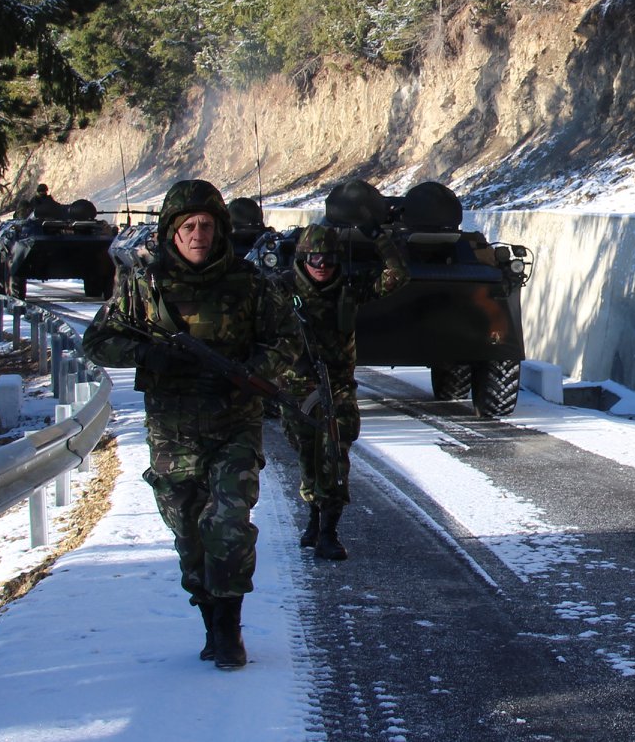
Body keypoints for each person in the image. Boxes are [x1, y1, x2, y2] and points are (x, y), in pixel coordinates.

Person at [81, 179, 290, 669]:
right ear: (171, 233)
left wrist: (252, 376)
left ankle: (230, 629)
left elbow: (286, 344)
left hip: (233, 426)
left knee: (229, 526)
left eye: (207, 225)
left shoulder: (252, 283)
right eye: (188, 226)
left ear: (220, 230)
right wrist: (148, 354)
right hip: (172, 435)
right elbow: (97, 341)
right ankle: (208, 617)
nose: (198, 234)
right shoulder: (143, 286)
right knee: (190, 536)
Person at [274, 221, 409, 560]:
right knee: (308, 456)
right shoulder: (281, 290)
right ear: (303, 259)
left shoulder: (348, 288)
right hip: (297, 388)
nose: (323, 268)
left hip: (338, 388)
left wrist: (380, 238)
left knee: (334, 456)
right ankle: (314, 519)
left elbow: (397, 275)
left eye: (330, 260)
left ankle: (329, 531)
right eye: (315, 260)